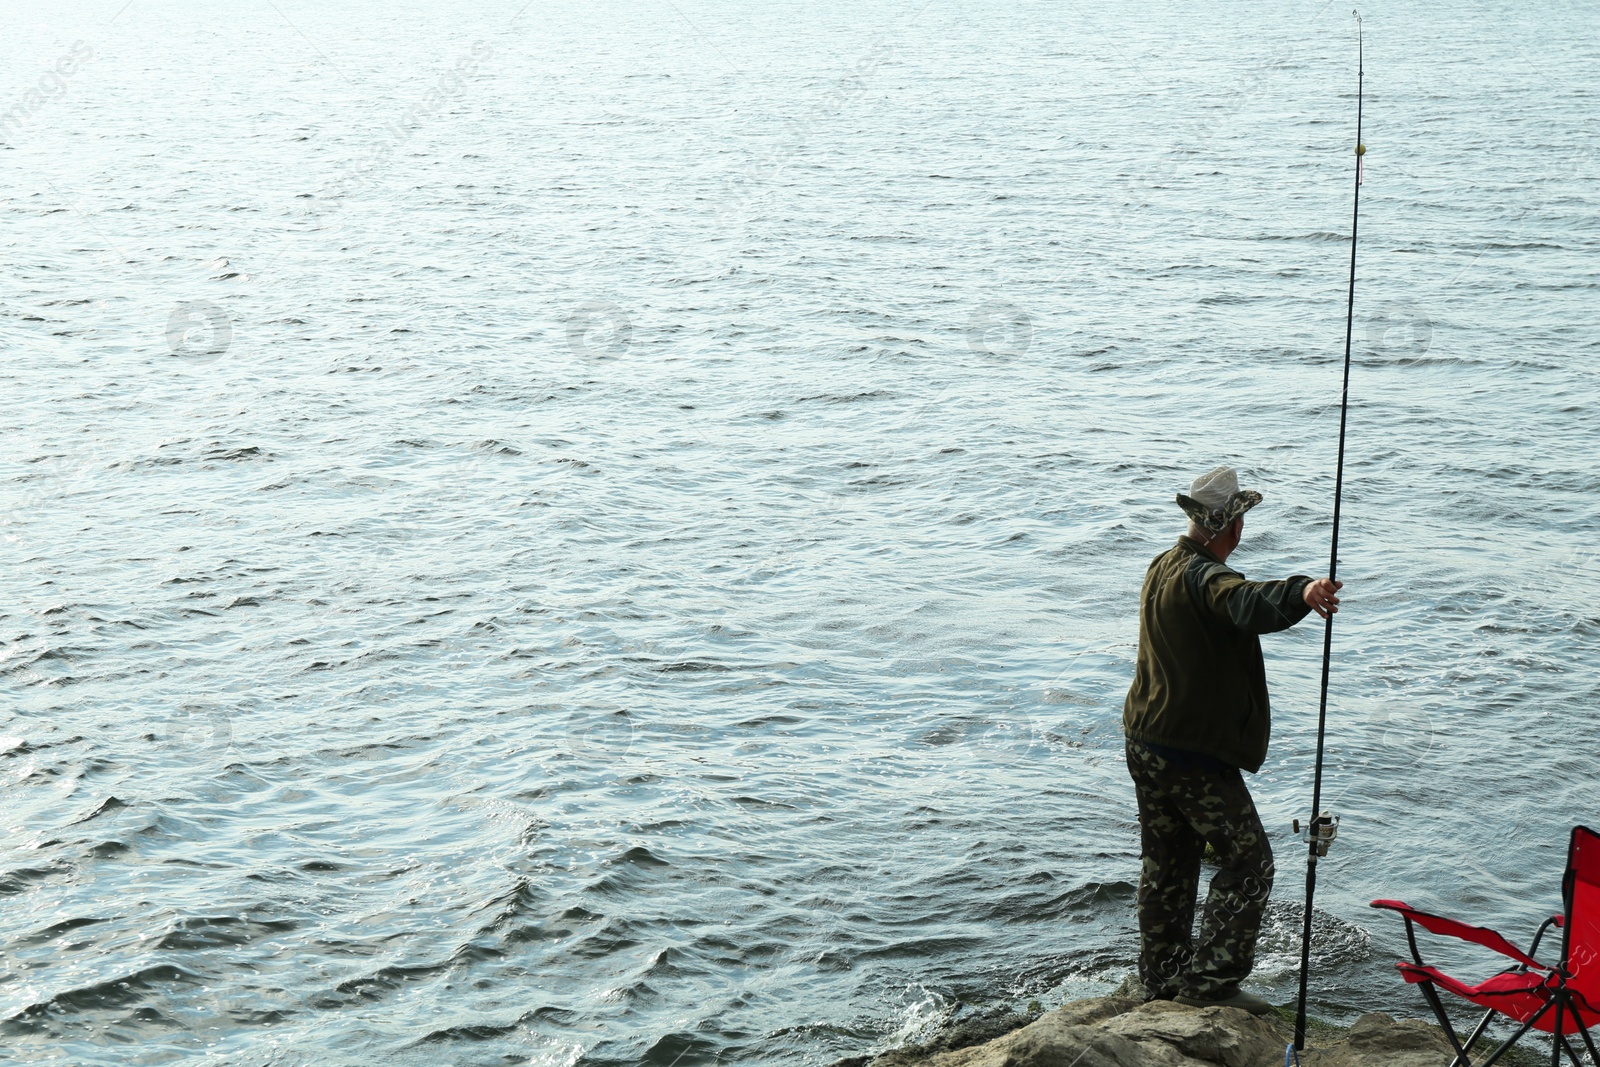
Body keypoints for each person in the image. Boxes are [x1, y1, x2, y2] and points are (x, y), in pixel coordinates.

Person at [1122, 465, 1342, 1015]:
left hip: (1145, 740)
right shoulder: (1204, 577)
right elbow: (1243, 601)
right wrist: (1304, 592)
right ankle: (1210, 987)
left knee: (1167, 860)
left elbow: (1234, 601)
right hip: (1189, 755)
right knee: (1250, 863)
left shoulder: (1162, 565)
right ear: (1231, 524)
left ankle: (1161, 977)